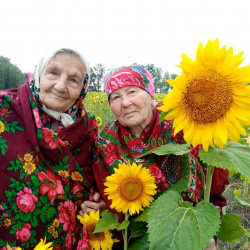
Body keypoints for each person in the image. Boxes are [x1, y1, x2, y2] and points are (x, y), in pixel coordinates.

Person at [91, 65, 229, 249]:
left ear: (151, 95)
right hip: (134, 241)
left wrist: (208, 234)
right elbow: (107, 203)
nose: (125, 103)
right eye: (115, 97)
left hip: (190, 236)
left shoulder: (184, 125)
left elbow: (213, 187)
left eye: (132, 92)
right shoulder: (104, 143)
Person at [0, 48, 105, 249]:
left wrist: (101, 202)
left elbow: (98, 178)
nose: (60, 86)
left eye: (73, 80)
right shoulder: (5, 109)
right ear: (39, 73)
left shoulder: (87, 127)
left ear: (83, 88)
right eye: (53, 73)